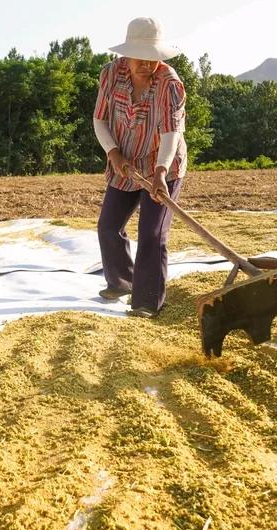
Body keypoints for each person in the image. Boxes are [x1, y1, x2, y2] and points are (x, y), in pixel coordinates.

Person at [93, 17, 188, 319]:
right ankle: (121, 282)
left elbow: (172, 133)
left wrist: (160, 171)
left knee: (151, 233)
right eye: (141, 58)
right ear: (128, 54)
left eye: (153, 58)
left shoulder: (170, 83)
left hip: (163, 165)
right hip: (124, 160)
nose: (148, 64)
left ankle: (147, 301)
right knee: (108, 226)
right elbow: (100, 120)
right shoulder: (111, 73)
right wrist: (114, 153)